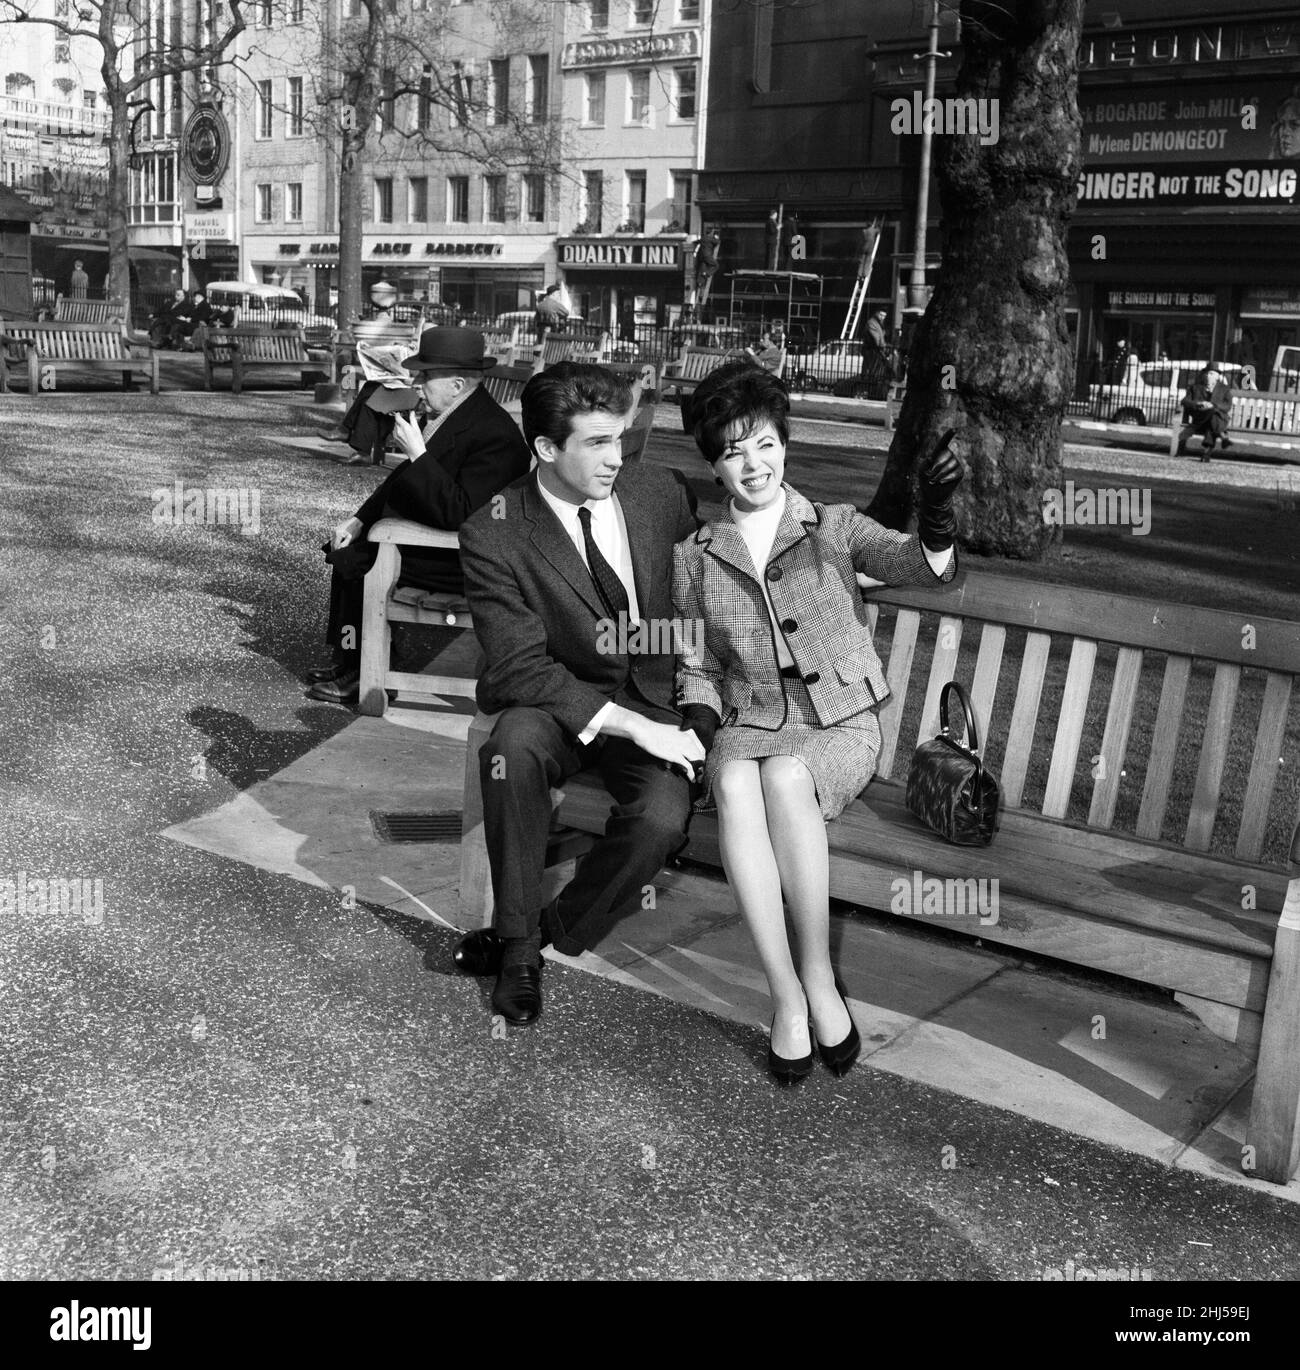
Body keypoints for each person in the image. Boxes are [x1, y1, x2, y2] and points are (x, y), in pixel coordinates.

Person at [672, 363, 962, 1084]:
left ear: (785, 446)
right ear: (714, 465)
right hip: (752, 720)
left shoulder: (832, 527)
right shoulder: (696, 557)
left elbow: (920, 568)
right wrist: (699, 725)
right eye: (735, 450)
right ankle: (787, 998)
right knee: (738, 777)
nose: (754, 464)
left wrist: (936, 515)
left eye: (765, 444)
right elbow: (697, 664)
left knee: (786, 776)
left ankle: (820, 979)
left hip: (841, 723)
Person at [450, 362, 706, 1026]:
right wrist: (628, 725)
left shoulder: (659, 494)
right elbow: (516, 668)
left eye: (618, 438)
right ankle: (516, 957)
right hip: (555, 701)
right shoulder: (494, 530)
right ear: (544, 448)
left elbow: (728, 558)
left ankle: (548, 927)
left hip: (651, 697)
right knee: (511, 746)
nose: (615, 458)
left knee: (659, 819)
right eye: (594, 444)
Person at [306, 327, 531, 705]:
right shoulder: (458, 413)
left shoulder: (496, 435)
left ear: (457, 384)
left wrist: (419, 455)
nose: (417, 382)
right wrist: (360, 518)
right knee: (346, 546)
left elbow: (463, 514)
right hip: (440, 544)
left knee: (358, 558)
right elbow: (402, 480)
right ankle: (350, 657)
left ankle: (365, 671)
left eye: (426, 375)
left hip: (467, 559)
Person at [1175, 365, 1233, 460]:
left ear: (1217, 376)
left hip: (1218, 419)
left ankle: (1206, 454)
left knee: (1212, 415)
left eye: (1211, 374)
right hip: (1200, 418)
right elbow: (1185, 401)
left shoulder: (1224, 389)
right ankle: (1222, 436)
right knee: (1212, 415)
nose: (1208, 376)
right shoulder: (1195, 387)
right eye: (1206, 373)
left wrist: (1213, 405)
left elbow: (1227, 405)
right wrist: (1199, 404)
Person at [694, 229, 720, 310]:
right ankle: (707, 274)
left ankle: (700, 281)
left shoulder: (703, 238)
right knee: (716, 265)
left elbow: (696, 241)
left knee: (702, 269)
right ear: (711, 233)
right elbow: (717, 242)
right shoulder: (711, 238)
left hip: (701, 257)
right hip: (707, 256)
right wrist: (716, 237)